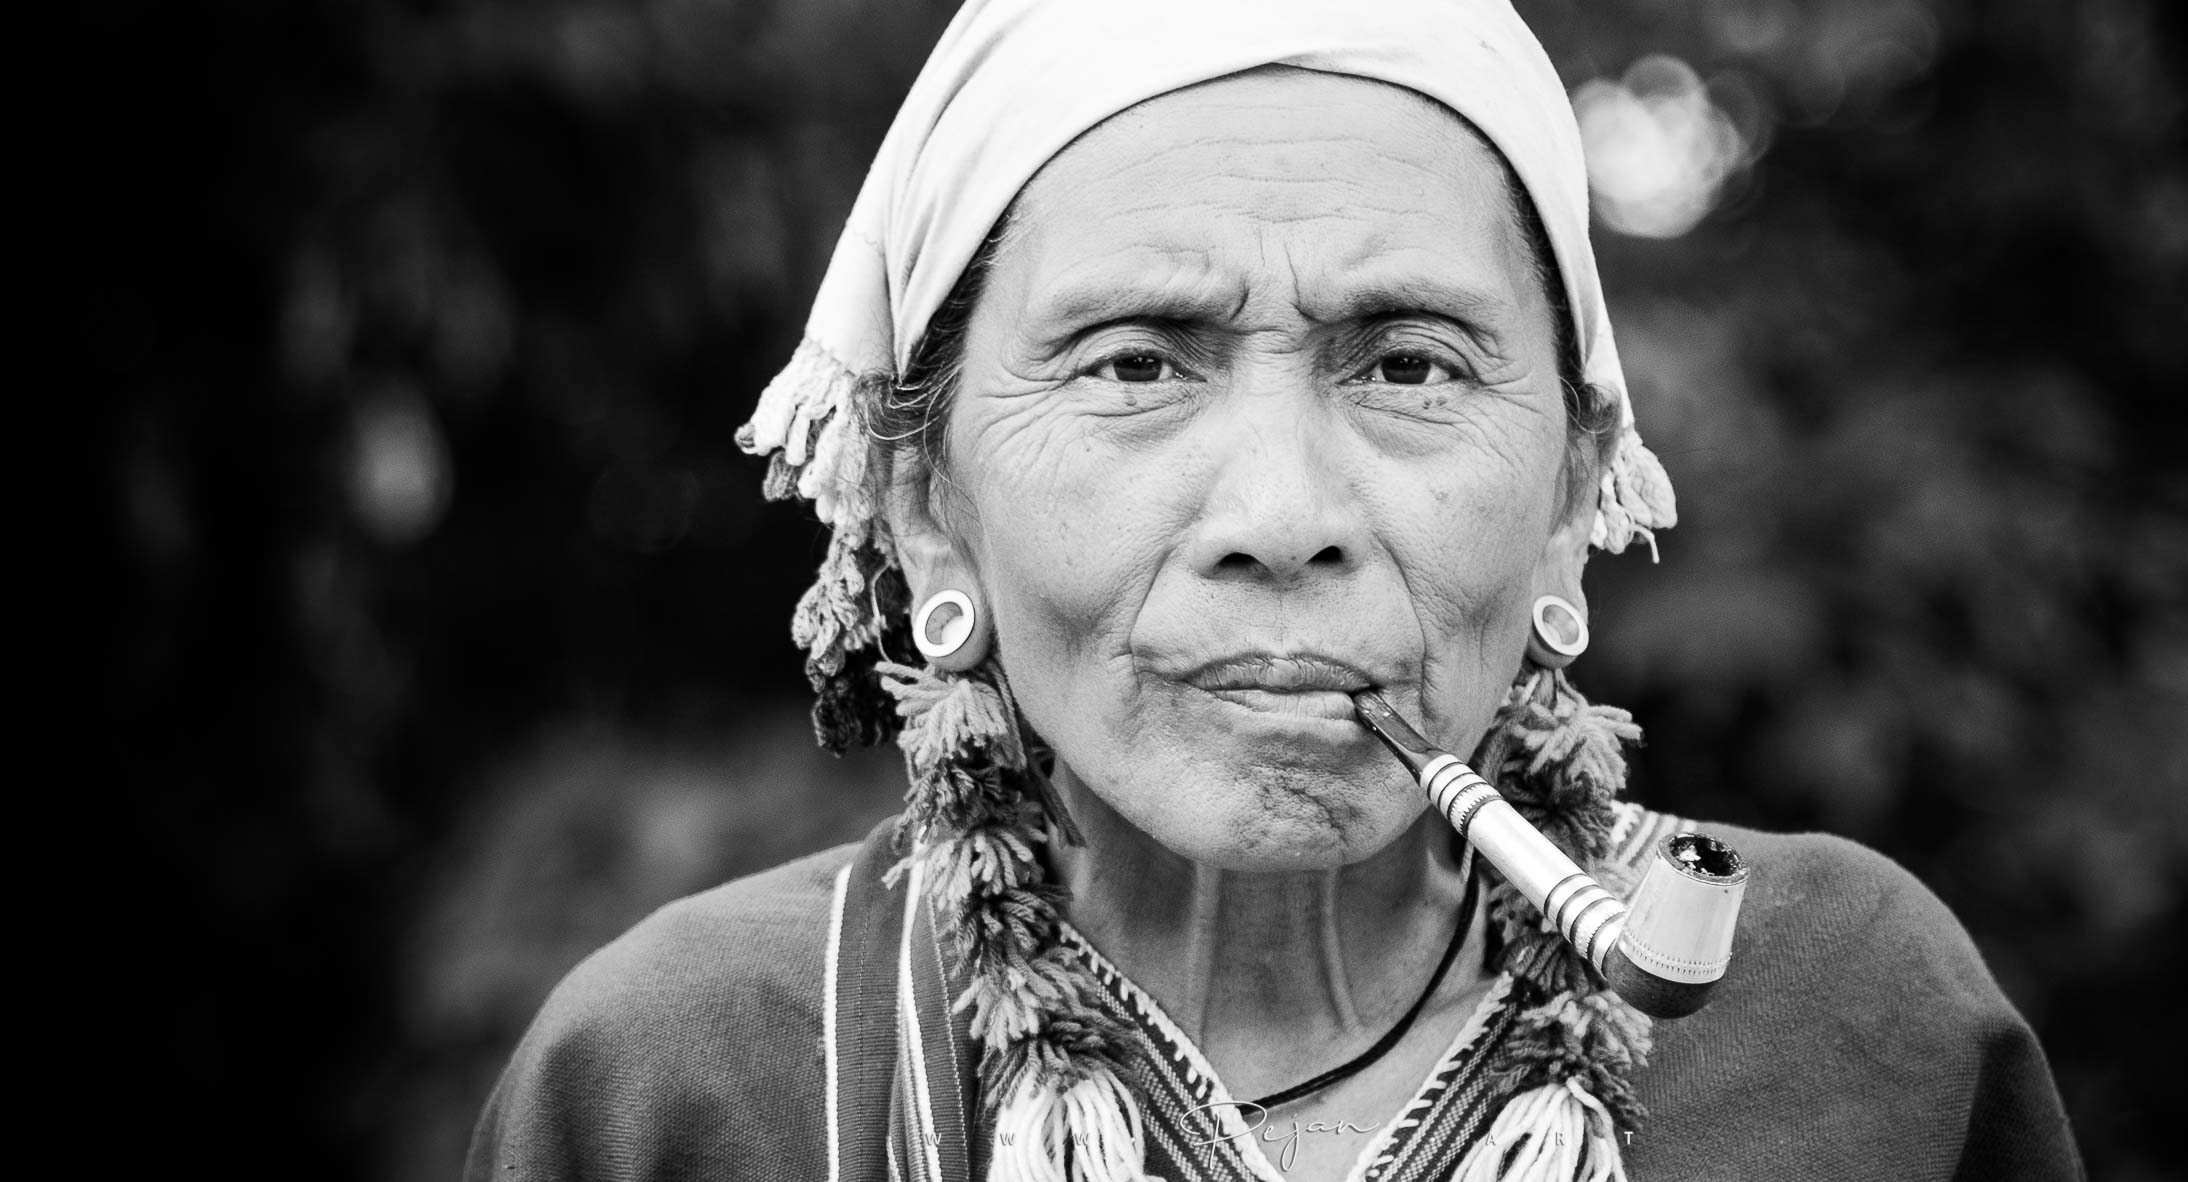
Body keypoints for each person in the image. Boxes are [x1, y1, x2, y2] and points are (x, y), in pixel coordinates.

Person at [468, 1, 2082, 1179]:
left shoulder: (1856, 1023)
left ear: (1576, 490)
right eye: (1134, 362)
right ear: (926, 507)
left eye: (1407, 362)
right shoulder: (674, 1087)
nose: (1284, 514)